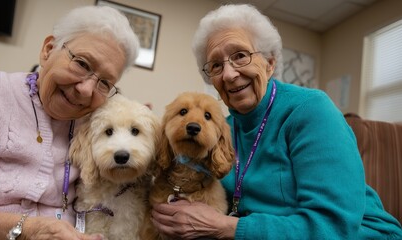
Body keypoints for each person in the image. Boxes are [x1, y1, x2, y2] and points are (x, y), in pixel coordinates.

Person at [150, 4, 402, 239]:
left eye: (240, 56)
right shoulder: (223, 127)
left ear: (270, 64)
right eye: (216, 65)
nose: (228, 73)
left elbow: (333, 225)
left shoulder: (311, 110)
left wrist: (227, 227)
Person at [0, 5, 139, 240]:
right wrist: (28, 230)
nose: (86, 90)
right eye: (82, 63)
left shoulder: (94, 123)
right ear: (48, 49)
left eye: (104, 83)